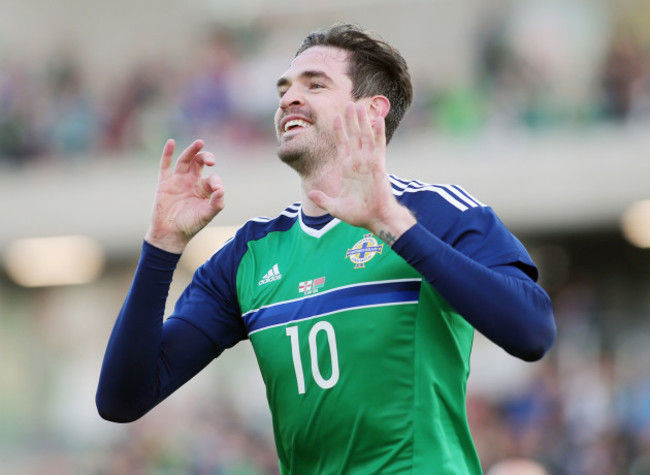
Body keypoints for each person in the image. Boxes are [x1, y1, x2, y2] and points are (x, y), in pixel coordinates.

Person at [96, 23, 556, 474]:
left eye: (314, 84)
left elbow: (532, 331)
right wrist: (161, 248)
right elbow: (122, 400)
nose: (287, 98)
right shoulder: (249, 254)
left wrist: (394, 226)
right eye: (284, 88)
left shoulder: (438, 213)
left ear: (372, 111)